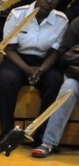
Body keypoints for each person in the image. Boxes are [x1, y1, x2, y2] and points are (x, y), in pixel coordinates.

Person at [0, 0, 69, 141]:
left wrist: (41, 70)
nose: (49, 1)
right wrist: (28, 69)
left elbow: (55, 53)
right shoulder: (17, 14)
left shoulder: (61, 20)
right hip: (17, 59)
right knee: (6, 79)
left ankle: (40, 134)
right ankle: (6, 134)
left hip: (45, 62)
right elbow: (9, 49)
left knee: (55, 81)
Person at [33, 14, 79, 156]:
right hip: (76, 76)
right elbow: (63, 55)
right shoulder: (77, 23)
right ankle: (48, 143)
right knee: (68, 89)